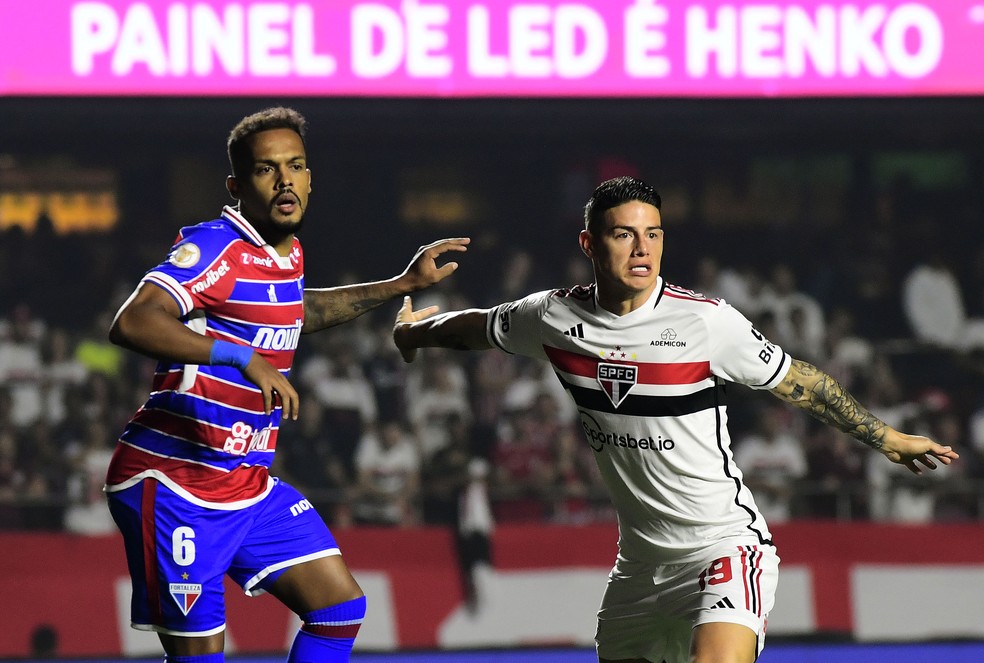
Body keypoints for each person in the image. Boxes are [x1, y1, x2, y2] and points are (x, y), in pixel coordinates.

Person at [392, 175, 958, 663]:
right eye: (624, 234)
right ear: (589, 243)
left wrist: (886, 438)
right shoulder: (553, 316)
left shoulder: (706, 323)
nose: (642, 249)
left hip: (724, 547)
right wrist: (414, 332)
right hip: (639, 571)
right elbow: (480, 327)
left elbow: (803, 383)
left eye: (653, 234)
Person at [104, 106, 469, 662]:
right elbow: (132, 321)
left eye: (295, 166)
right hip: (176, 485)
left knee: (339, 607)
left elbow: (297, 311)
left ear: (309, 178)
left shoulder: (287, 252)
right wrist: (240, 356)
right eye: (265, 170)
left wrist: (401, 285)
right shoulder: (215, 247)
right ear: (237, 185)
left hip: (245, 482)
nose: (284, 181)